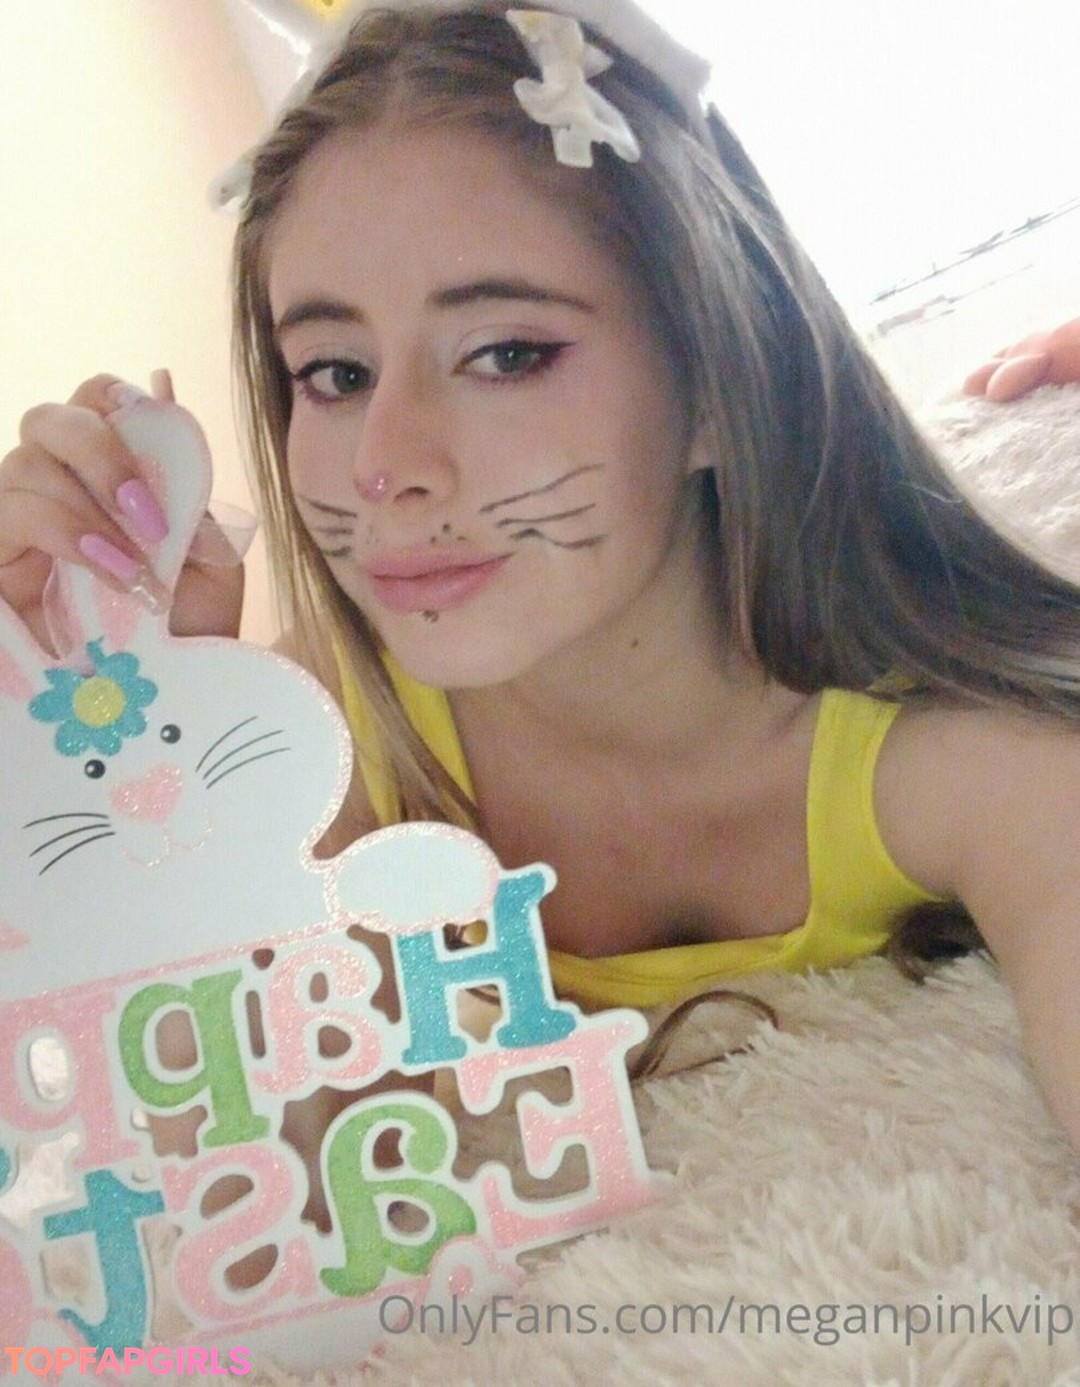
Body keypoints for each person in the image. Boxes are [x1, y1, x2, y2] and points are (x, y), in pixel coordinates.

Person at [2, 0, 1079, 1158]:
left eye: (507, 354)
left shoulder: (974, 762)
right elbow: (215, 1149)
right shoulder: (318, 740)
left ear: (720, 380)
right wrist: (108, 750)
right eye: (335, 373)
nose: (383, 467)